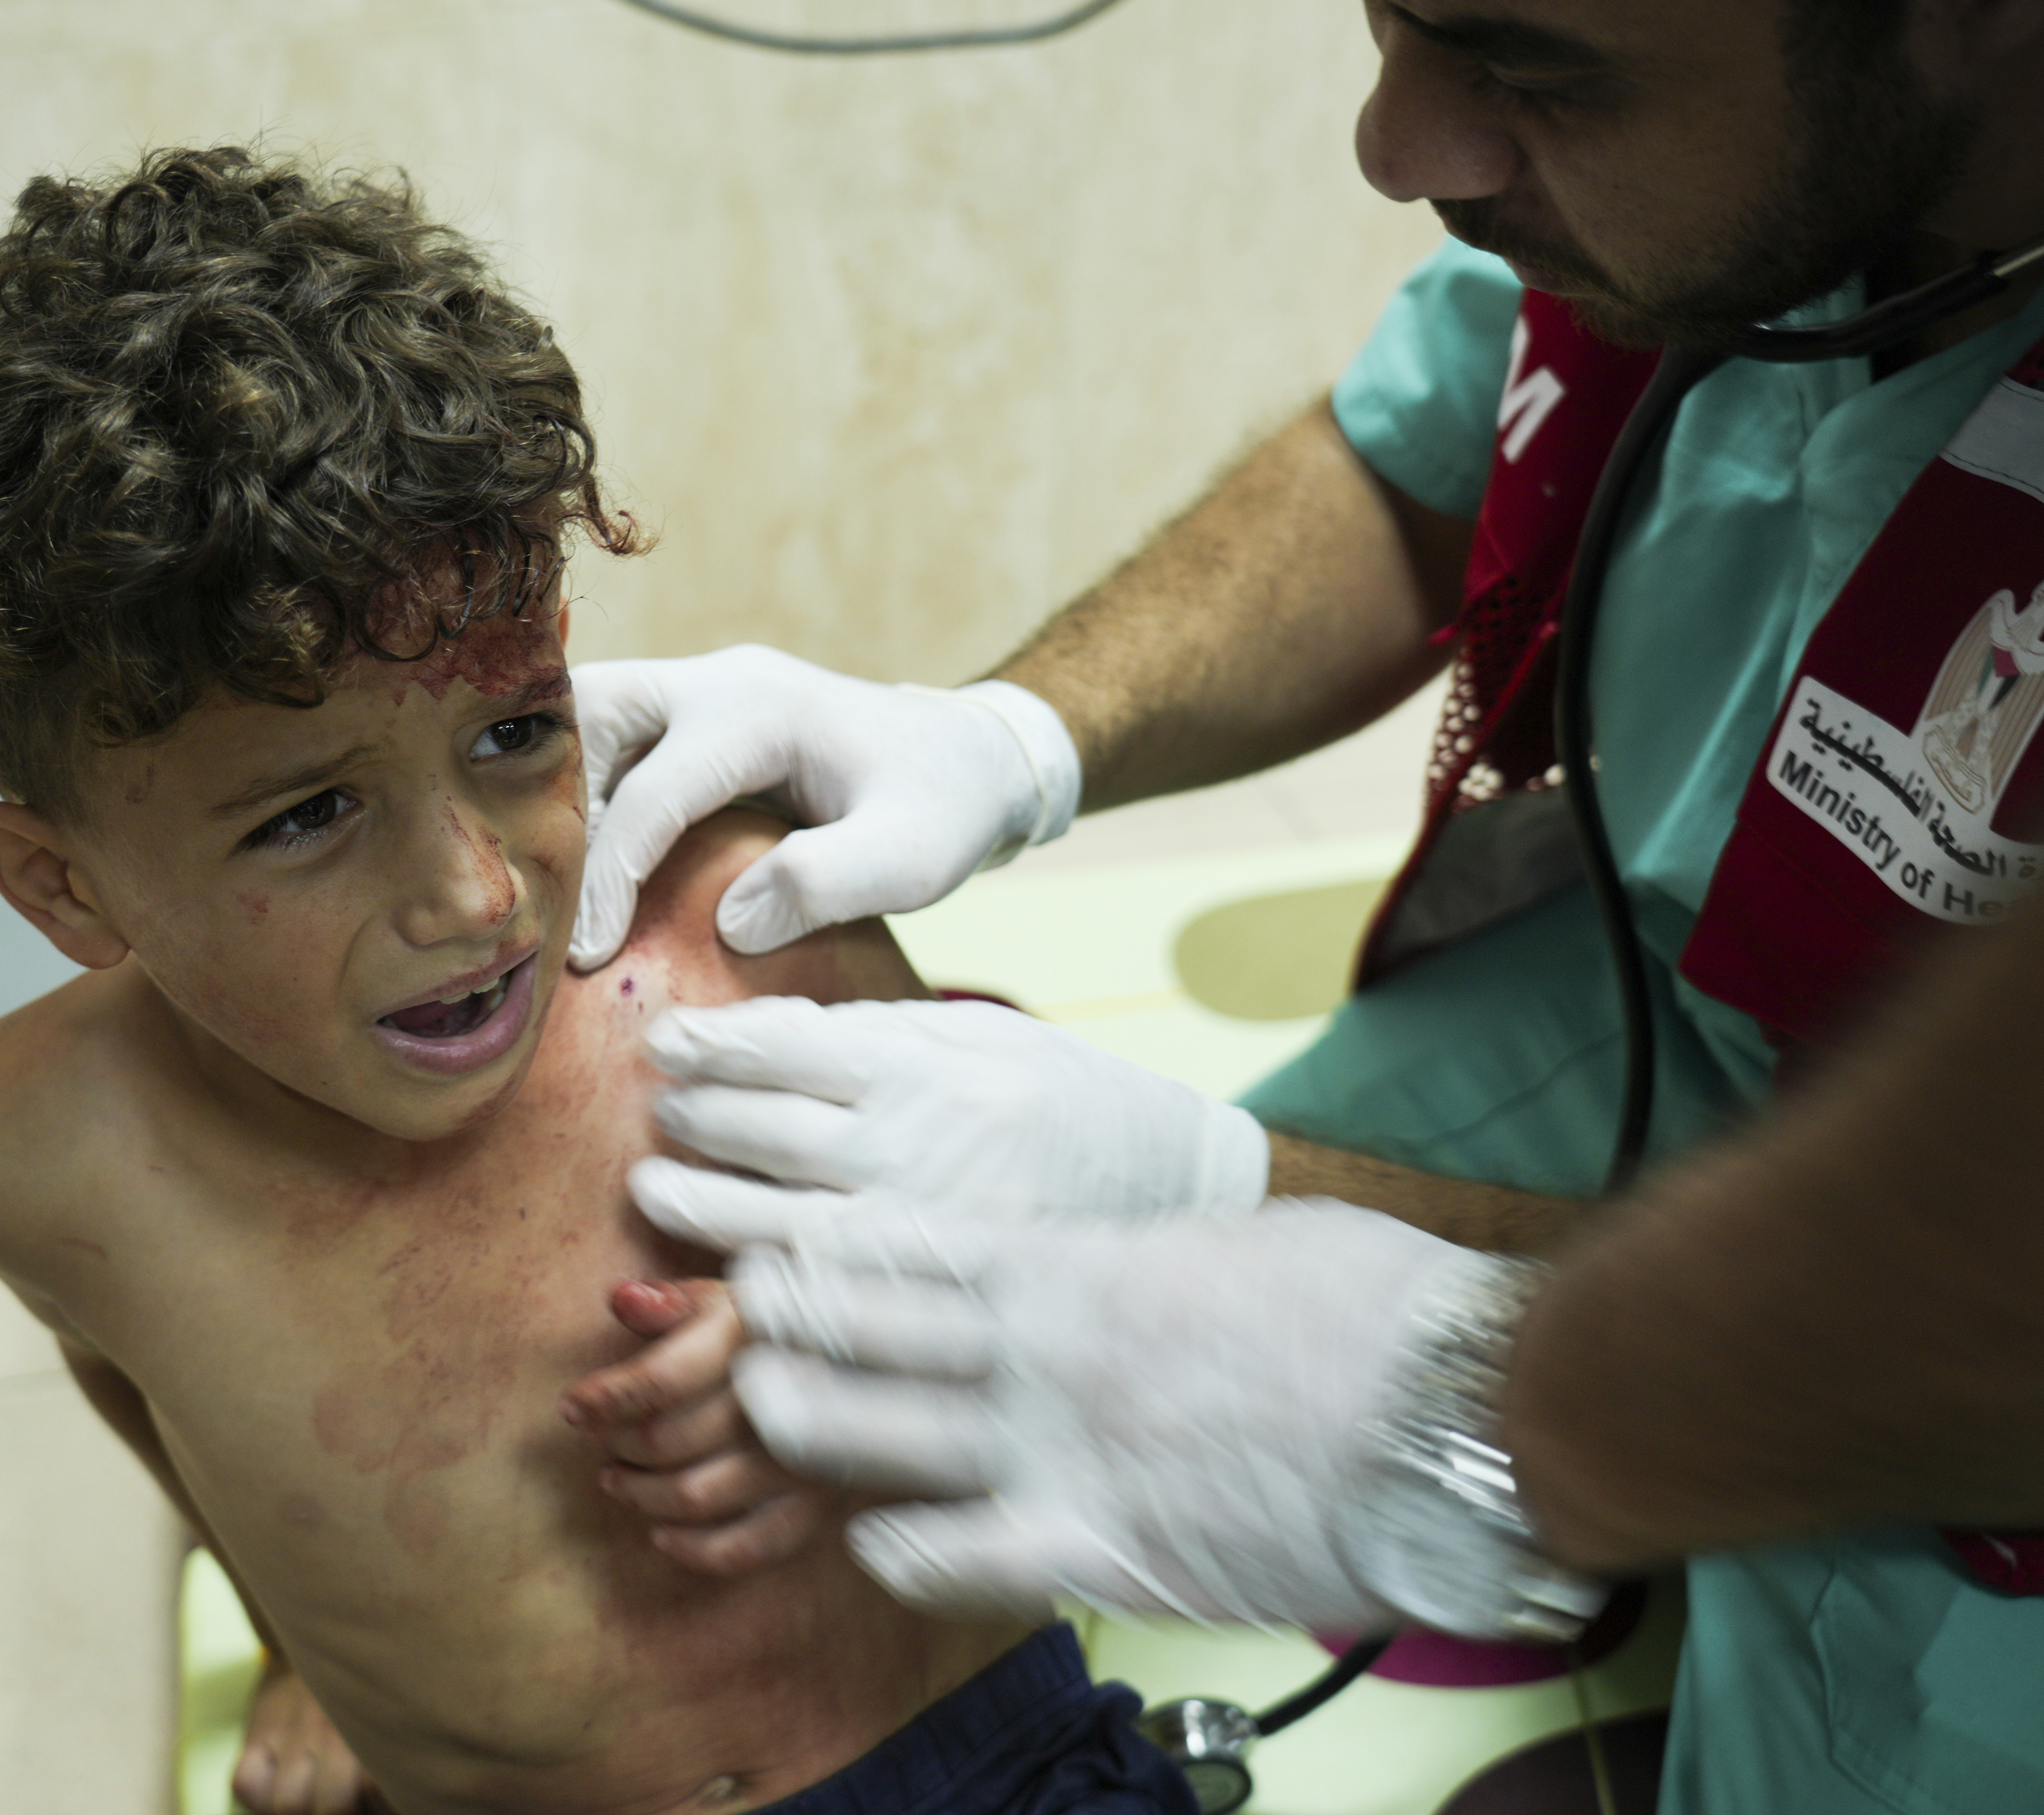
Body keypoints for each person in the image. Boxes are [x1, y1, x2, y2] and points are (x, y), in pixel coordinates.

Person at [567, 2, 2044, 1812]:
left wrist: (1478, 1403)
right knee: (1123, 1323)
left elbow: (1979, 1300)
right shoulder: (1725, 192)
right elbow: (1426, 450)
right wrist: (1016, 737)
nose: (1397, 146)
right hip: (1682, 976)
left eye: (1532, 69)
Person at [0, 147, 1197, 1815]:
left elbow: (1065, 1222)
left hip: (985, 1770)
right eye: (312, 814)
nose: (476, 894)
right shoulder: (28, 1150)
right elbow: (137, 1371)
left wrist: (884, 1338)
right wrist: (296, 1643)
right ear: (64, 886)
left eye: (517, 732)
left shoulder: (740, 942)